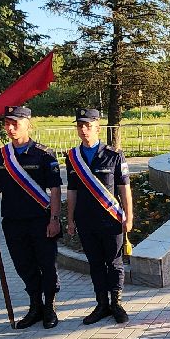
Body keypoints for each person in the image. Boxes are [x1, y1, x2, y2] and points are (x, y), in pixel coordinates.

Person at [0, 105, 63, 329]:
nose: (11, 128)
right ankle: (35, 306)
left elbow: (54, 190)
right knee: (24, 265)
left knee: (47, 264)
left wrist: (55, 219)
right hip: (13, 221)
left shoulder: (44, 154)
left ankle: (50, 306)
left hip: (40, 219)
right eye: (7, 123)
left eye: (15, 123)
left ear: (27, 124)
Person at [65, 110, 134, 325]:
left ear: (98, 127)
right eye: (80, 126)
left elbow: (124, 188)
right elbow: (72, 190)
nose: (84, 130)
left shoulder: (114, 155)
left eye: (88, 125)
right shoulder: (72, 157)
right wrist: (70, 219)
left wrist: (129, 217)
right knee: (95, 263)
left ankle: (116, 303)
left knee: (114, 262)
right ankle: (101, 304)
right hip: (86, 220)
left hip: (110, 219)